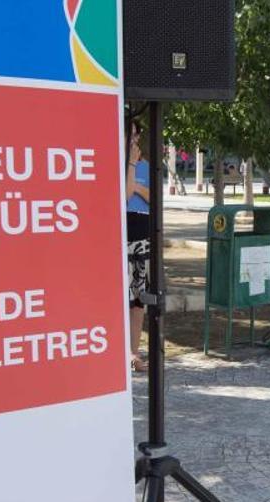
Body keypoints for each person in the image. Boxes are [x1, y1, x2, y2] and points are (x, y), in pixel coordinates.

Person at [125, 123, 152, 373]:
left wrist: (138, 188)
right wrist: (130, 166)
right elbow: (124, 195)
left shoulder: (146, 166)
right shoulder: (117, 164)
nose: (133, 138)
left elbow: (151, 197)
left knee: (138, 300)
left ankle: (134, 353)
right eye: (128, 133)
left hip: (142, 235)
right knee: (120, 299)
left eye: (135, 134)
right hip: (121, 236)